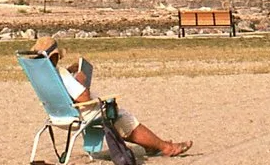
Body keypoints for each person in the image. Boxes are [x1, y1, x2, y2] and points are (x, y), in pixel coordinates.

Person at [31, 36, 190, 157]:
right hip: (79, 115)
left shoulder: (40, 76)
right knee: (121, 116)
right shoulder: (61, 74)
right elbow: (84, 98)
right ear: (54, 57)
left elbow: (60, 91)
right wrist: (80, 81)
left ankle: (151, 145)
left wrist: (70, 76)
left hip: (56, 116)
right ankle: (166, 147)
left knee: (118, 116)